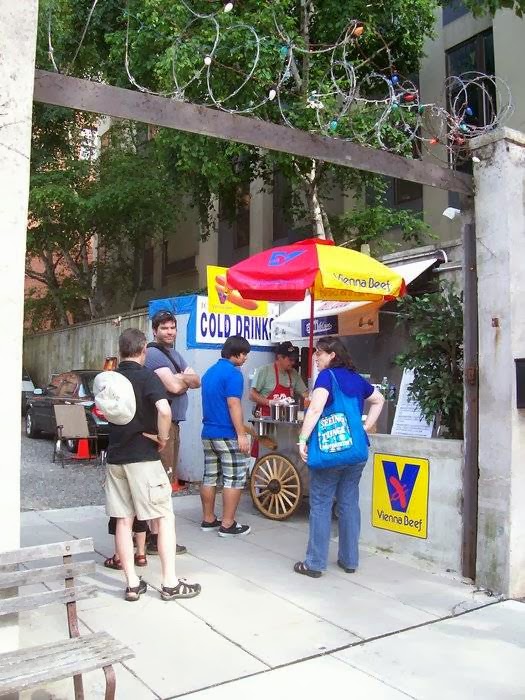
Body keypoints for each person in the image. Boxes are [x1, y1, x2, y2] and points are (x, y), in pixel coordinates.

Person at [103, 328, 201, 601]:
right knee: (163, 516)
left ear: (121, 349)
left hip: (116, 456)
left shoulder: (111, 378)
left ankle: (132, 584)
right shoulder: (148, 377)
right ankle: (170, 583)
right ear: (144, 349)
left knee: (123, 520)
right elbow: (165, 409)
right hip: (144, 458)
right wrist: (163, 437)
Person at [293, 336, 384, 578]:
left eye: (320, 353)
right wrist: (366, 426)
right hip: (356, 451)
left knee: (321, 504)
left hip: (331, 453)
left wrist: (302, 439)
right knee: (348, 504)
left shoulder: (326, 377)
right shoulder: (356, 378)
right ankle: (350, 560)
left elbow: (315, 409)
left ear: (332, 355)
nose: (315, 357)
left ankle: (314, 563)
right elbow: (379, 400)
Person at [145, 309, 201, 555]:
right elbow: (174, 387)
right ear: (154, 330)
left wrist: (183, 378)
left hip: (174, 424)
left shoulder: (174, 354)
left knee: (165, 481)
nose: (169, 332)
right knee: (161, 482)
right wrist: (182, 378)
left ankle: (154, 535)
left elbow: (197, 380)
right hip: (161, 425)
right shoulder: (154, 355)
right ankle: (155, 537)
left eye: (172, 327)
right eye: (164, 328)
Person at [200, 335, 252, 537]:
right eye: (244, 354)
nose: (245, 358)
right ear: (236, 354)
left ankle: (208, 519)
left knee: (210, 477)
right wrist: (241, 434)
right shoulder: (233, 374)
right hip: (227, 434)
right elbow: (233, 404)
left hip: (208, 433)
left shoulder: (209, 373)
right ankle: (228, 524)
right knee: (234, 479)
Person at [249, 341, 309, 416]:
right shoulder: (264, 371)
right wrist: (269, 402)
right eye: (290, 360)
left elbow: (305, 393)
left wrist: (312, 398)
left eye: (294, 360)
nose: (293, 362)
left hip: (285, 419)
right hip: (265, 419)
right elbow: (252, 395)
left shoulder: (294, 374)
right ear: (279, 357)